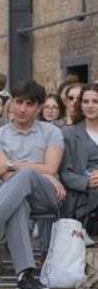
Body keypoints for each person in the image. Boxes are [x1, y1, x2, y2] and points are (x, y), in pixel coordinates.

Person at [0, 80, 65, 289]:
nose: (22, 108)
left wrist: (13, 163)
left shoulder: (52, 132)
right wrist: (40, 171)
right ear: (11, 104)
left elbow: (51, 166)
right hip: (13, 198)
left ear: (38, 107)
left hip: (46, 194)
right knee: (17, 204)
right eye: (18, 102)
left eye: (29, 104)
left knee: (25, 175)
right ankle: (25, 277)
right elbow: (7, 176)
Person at [59, 82, 98, 231]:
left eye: (95, 101)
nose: (90, 105)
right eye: (85, 101)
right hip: (82, 194)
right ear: (80, 105)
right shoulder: (68, 134)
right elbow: (65, 173)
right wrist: (87, 182)